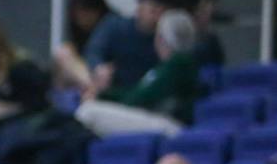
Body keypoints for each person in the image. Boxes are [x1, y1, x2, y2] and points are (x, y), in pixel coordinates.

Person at [74, 9, 200, 137]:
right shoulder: (169, 65)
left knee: (88, 112)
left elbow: (139, 99)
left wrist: (102, 96)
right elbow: (137, 94)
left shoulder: (178, 64)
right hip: (162, 121)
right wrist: (102, 94)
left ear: (161, 38)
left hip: (172, 126)